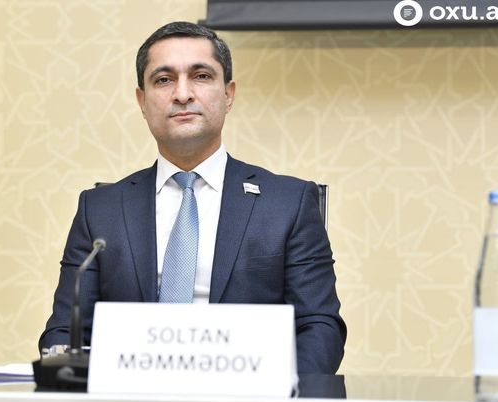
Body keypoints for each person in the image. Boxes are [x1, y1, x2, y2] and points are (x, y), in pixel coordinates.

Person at [39, 21, 346, 374]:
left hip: (250, 396)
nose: (182, 94)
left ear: (228, 94)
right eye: (163, 80)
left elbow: (319, 328)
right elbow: (64, 332)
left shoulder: (287, 204)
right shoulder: (100, 210)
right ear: (142, 101)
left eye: (201, 76)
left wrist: (278, 393)